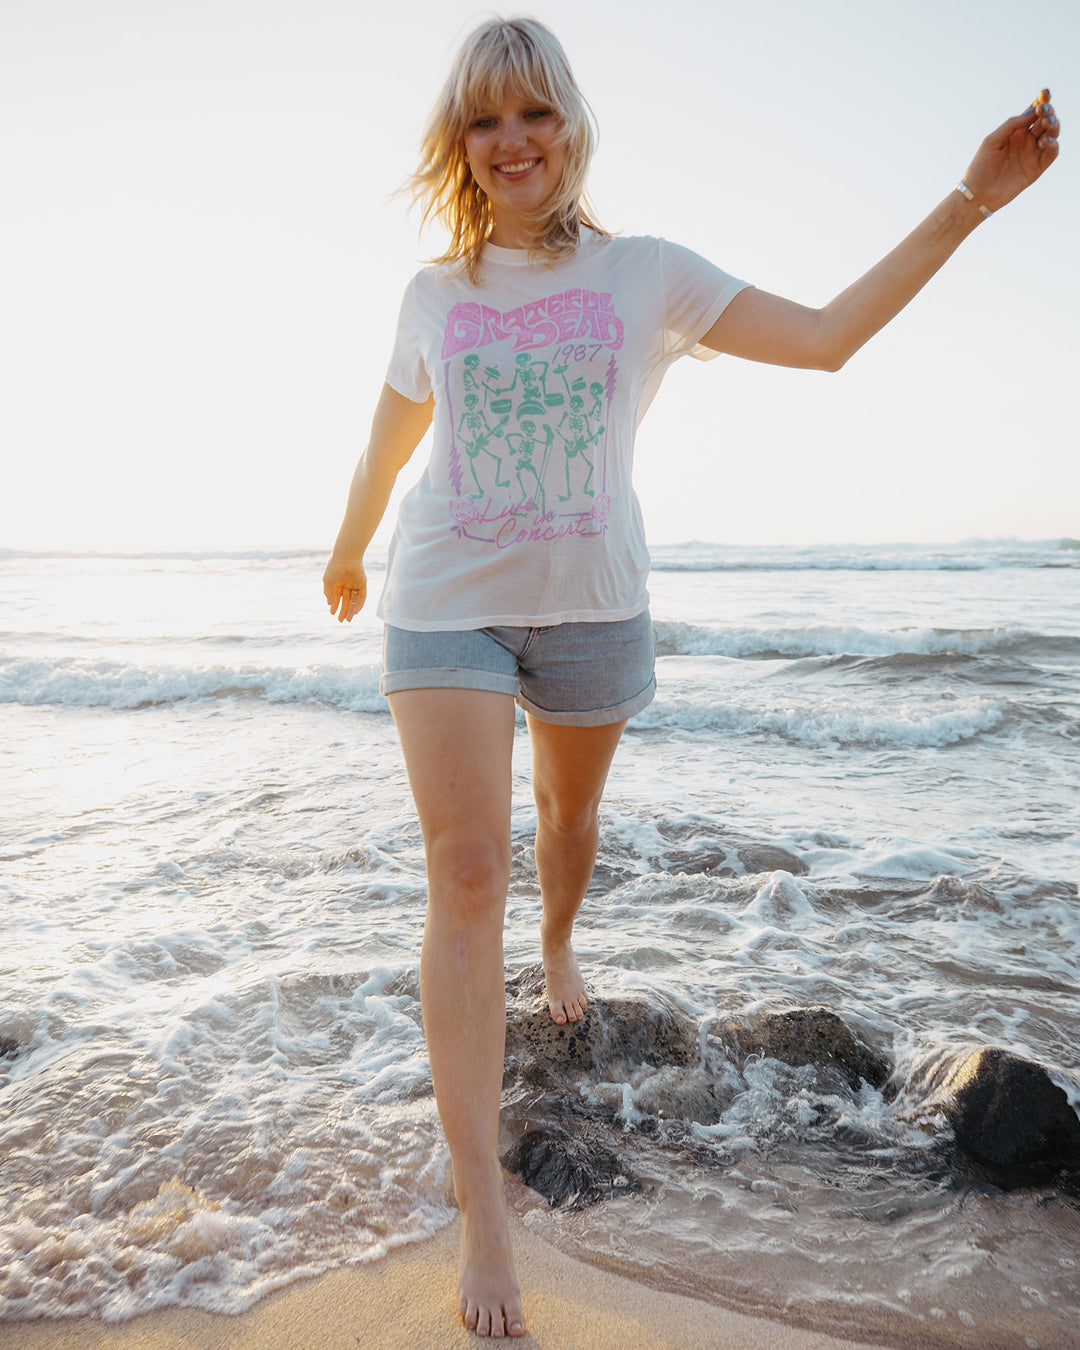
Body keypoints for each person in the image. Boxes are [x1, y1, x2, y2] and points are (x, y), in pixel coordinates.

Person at [323, 16, 1059, 1339]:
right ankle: (484, 1201)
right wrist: (341, 550)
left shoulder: (644, 273)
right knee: (468, 868)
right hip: (441, 606)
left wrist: (971, 200)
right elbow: (388, 443)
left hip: (596, 609)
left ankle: (559, 941)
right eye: (486, 120)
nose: (512, 143)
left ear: (569, 129)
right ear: (459, 142)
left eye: (534, 115)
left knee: (569, 829)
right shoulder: (433, 295)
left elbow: (830, 335)